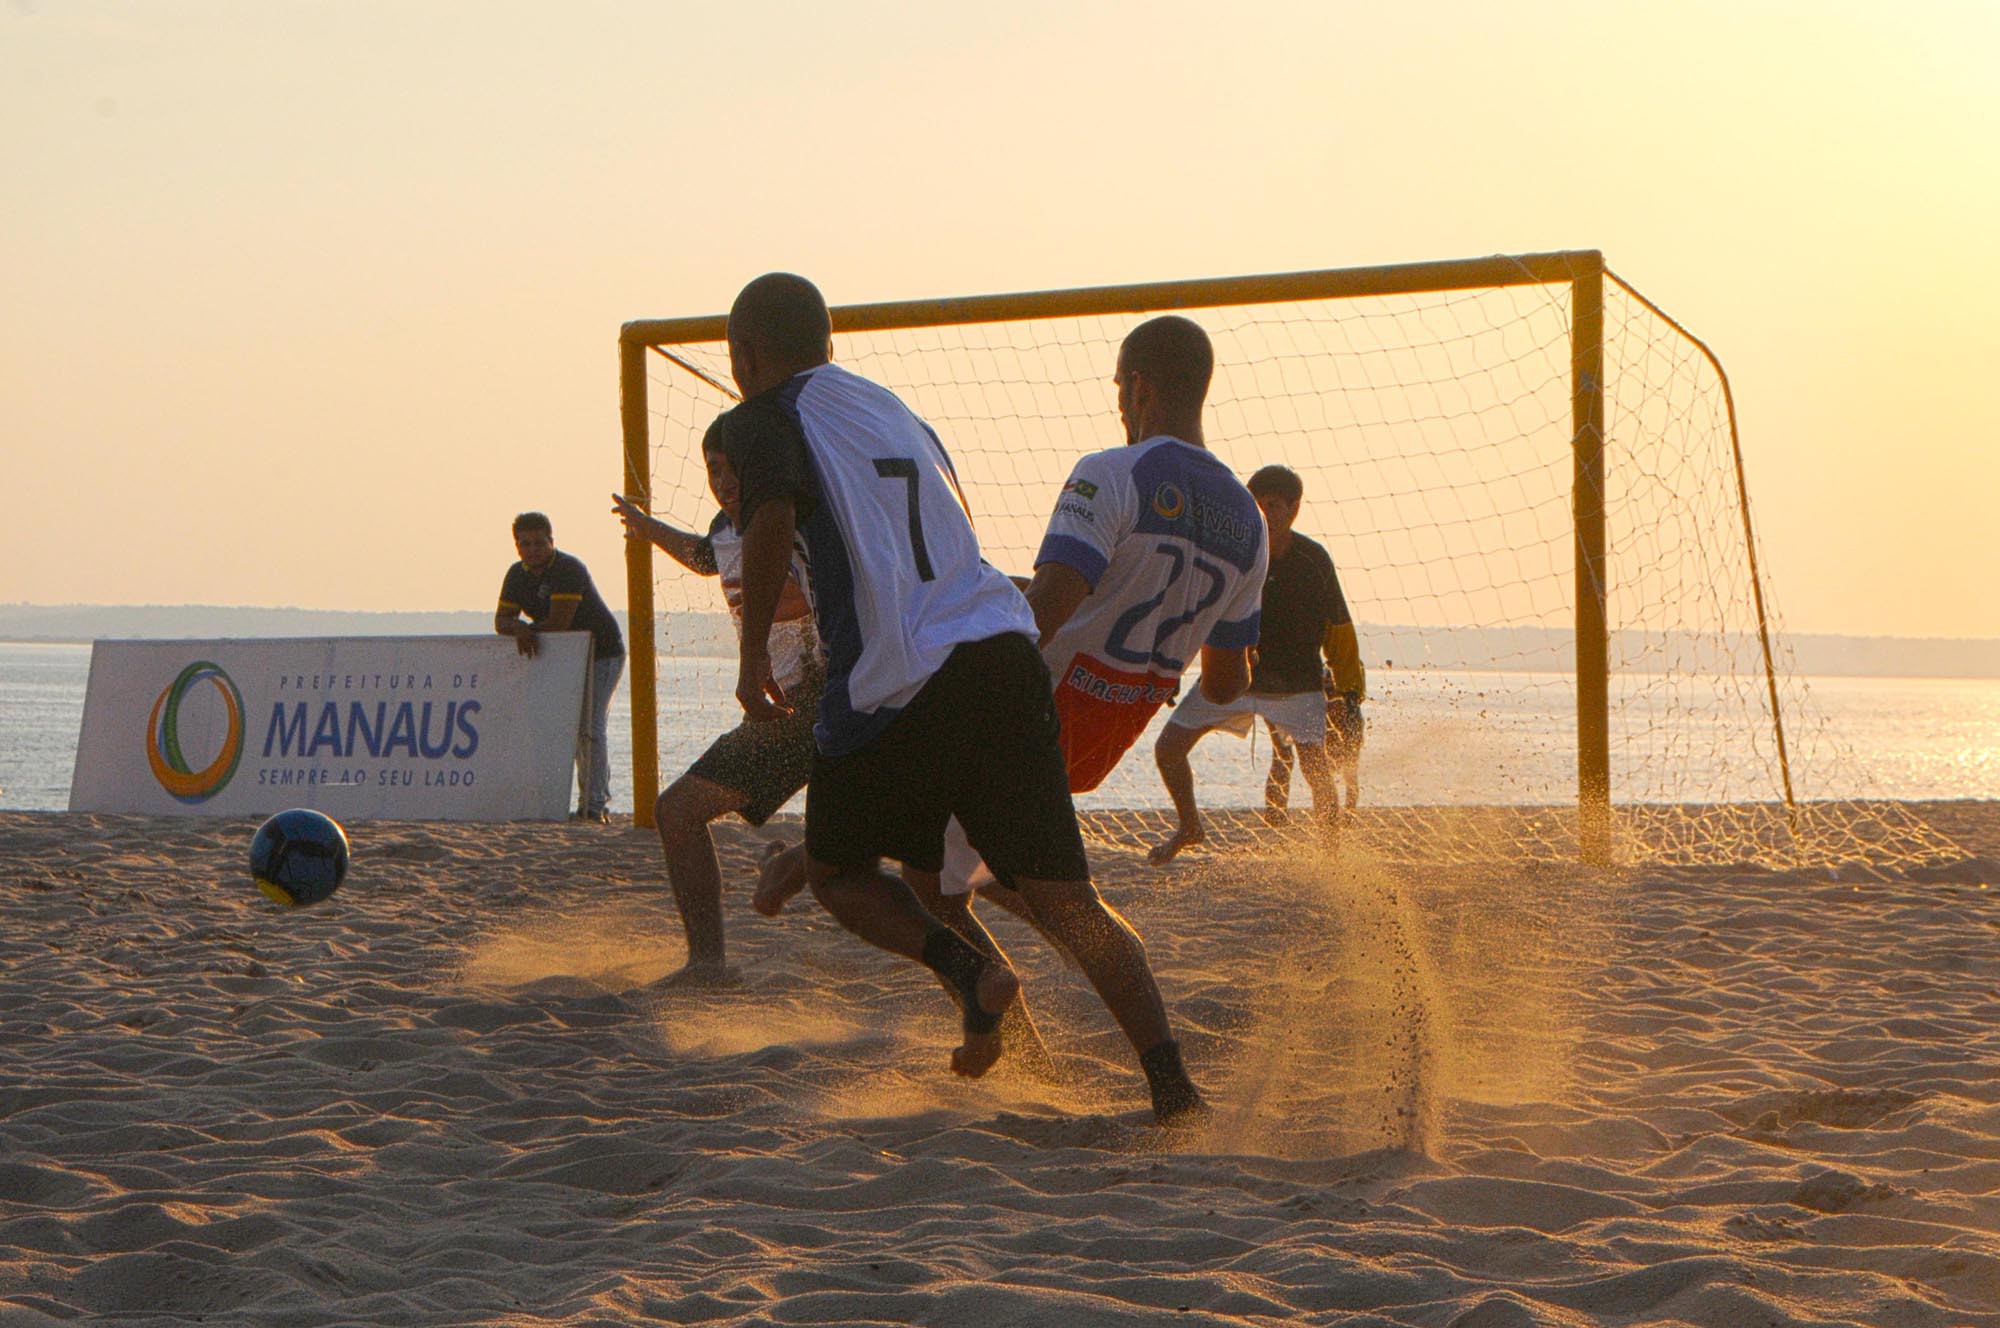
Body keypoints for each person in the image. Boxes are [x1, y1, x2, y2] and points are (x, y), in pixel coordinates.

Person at [716, 272, 1206, 1123]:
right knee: (1063, 900)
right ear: (830, 347)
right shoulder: (896, 411)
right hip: (1005, 652)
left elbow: (764, 524)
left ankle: (970, 976)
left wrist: (752, 647)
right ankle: (1174, 1090)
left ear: (745, 356)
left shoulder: (760, 418)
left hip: (901, 675)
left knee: (837, 873)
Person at [755, 313, 1267, 968]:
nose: (1118, 408)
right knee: (950, 862)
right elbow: (1227, 686)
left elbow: (1042, 619)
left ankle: (814, 870)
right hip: (1102, 739)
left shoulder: (1112, 473)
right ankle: (1020, 998)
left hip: (1028, 714)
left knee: (929, 833)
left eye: (1117, 390)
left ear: (1138, 389)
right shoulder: (1248, 519)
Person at [610, 430, 821, 985]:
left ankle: (790, 865)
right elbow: (706, 556)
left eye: (734, 469)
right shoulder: (725, 529)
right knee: (676, 813)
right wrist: (647, 528)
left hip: (824, 703)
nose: (724, 482)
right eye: (713, 469)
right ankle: (709, 960)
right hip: (784, 715)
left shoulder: (803, 522)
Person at [1149, 465, 1365, 864]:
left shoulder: (1313, 559)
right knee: (1167, 750)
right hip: (1234, 679)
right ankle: (1190, 826)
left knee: (1316, 773)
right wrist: (1170, 669)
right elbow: (1193, 612)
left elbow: (1339, 627)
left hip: (1296, 686)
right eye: (1256, 505)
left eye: (1272, 505)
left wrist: (1351, 693)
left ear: (1294, 508)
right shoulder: (1232, 551)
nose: (1263, 513)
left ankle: (1331, 858)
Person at [494, 512, 625, 823]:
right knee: (572, 727)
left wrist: (526, 629)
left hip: (602, 652)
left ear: (552, 542)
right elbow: (501, 621)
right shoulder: (517, 574)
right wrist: (517, 628)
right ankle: (583, 798)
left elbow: (559, 622)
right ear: (517, 547)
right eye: (526, 544)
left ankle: (594, 804)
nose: (533, 549)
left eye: (540, 543)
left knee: (590, 727)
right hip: (565, 656)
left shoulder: (568, 569)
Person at [1264, 665, 1365, 821]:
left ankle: (1347, 812)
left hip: (1279, 691)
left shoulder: (1349, 716)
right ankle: (1276, 813)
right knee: (1288, 757)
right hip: (1285, 695)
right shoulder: (1318, 701)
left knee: (1346, 768)